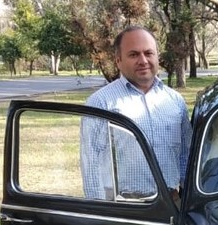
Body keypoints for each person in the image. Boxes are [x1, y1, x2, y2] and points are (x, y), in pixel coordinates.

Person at [80, 25, 192, 201]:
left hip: (171, 204)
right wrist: (100, 209)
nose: (143, 60)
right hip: (123, 207)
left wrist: (189, 201)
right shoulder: (101, 103)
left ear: (157, 56)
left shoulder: (175, 101)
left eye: (148, 53)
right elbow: (91, 162)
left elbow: (186, 155)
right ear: (118, 60)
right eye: (133, 55)